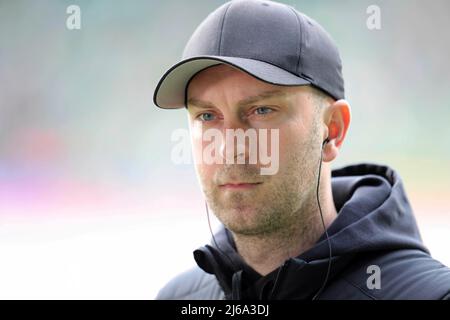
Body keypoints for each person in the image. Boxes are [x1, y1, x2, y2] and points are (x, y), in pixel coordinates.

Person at [152, 0, 450, 299]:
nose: (231, 149)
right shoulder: (179, 297)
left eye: (262, 110)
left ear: (333, 130)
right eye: (207, 116)